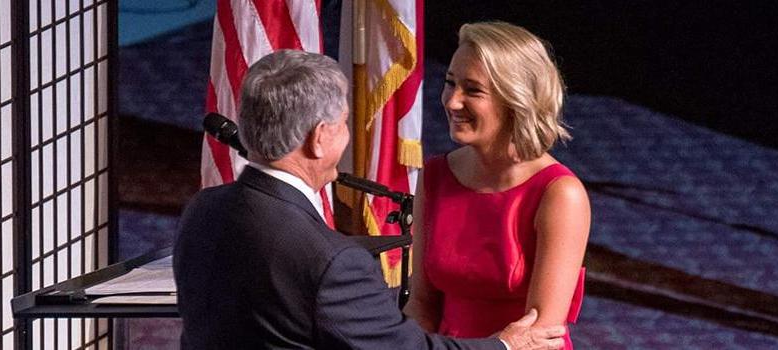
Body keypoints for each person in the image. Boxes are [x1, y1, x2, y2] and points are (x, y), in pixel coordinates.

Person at [173, 49, 566, 349]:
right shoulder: (331, 260)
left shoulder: (203, 210)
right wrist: (504, 345)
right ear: (319, 138)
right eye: (344, 124)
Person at [403, 22, 591, 349]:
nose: (452, 102)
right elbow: (421, 304)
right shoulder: (434, 175)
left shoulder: (560, 194)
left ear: (515, 99)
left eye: (473, 90)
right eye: (450, 83)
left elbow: (538, 337)